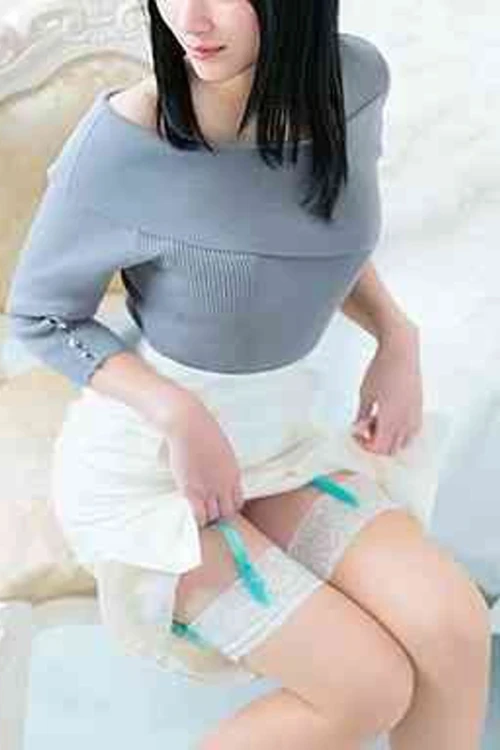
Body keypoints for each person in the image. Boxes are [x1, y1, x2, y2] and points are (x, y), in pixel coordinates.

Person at [6, 1, 491, 748]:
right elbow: (42, 314)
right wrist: (177, 414)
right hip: (151, 471)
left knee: (454, 629)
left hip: (276, 447)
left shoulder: (354, 83)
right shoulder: (127, 140)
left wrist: (397, 337)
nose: (191, 19)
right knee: (367, 686)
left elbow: (315, 232)